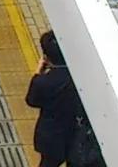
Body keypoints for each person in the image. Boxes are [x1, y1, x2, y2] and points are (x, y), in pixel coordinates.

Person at [26, 31, 90, 167]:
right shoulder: (83, 76)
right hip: (78, 136)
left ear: (46, 58)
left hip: (52, 137)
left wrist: (38, 74)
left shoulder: (42, 82)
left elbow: (32, 101)